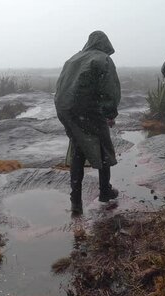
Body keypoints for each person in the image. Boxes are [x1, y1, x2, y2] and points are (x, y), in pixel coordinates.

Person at [55, 30, 121, 215]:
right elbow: (110, 89)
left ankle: (75, 200)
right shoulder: (102, 59)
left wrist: (68, 113)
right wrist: (110, 113)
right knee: (103, 148)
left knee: (78, 149)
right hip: (88, 110)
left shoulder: (73, 59)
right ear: (105, 44)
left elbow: (60, 86)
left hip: (66, 109)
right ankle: (105, 191)